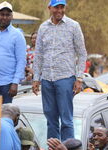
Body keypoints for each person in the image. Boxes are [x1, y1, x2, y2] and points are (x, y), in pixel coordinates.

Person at [32, 0, 87, 141]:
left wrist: (79, 78)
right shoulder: (43, 27)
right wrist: (36, 79)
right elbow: (39, 55)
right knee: (51, 121)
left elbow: (82, 53)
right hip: (47, 80)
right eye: (56, 7)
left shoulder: (73, 26)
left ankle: (68, 146)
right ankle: (53, 146)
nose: (60, 11)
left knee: (66, 120)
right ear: (49, 8)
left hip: (65, 78)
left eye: (62, 7)